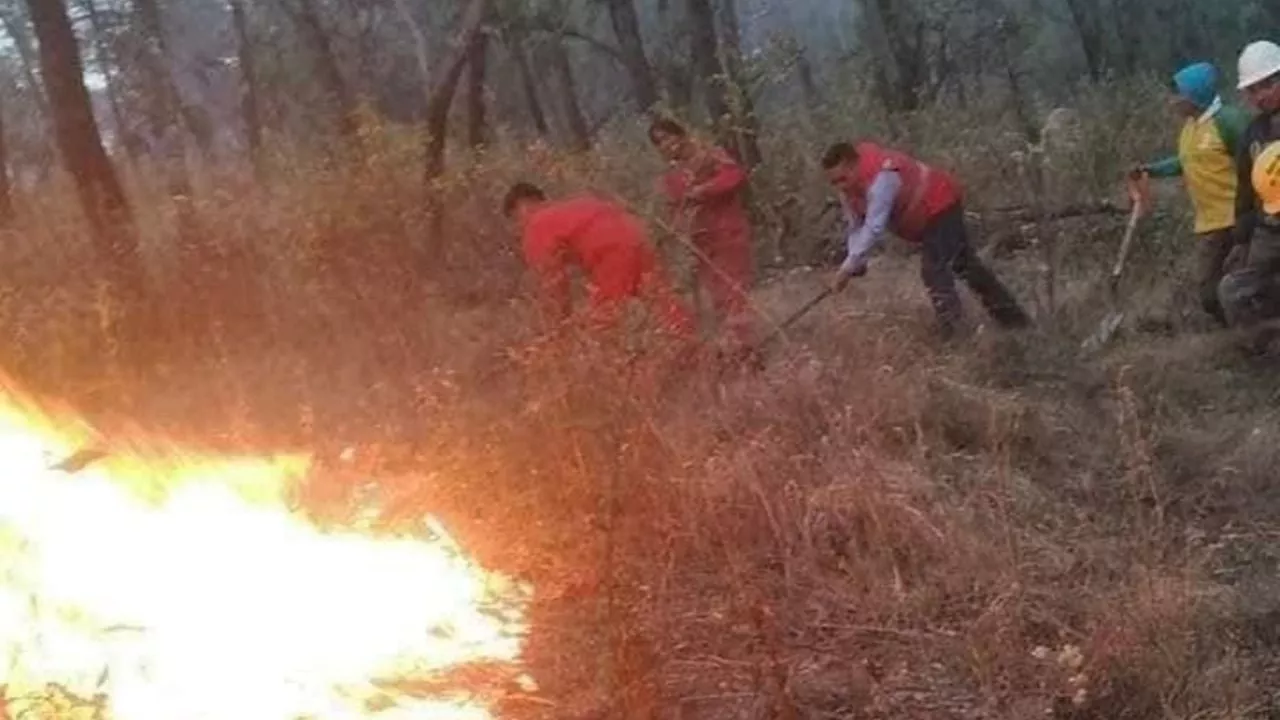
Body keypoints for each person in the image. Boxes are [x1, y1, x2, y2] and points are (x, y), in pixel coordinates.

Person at [819, 141, 1031, 338]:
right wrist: (855, 264)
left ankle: (955, 335)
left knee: (934, 269)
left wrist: (847, 268)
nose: (840, 187)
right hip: (927, 216)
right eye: (833, 182)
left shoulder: (882, 179)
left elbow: (874, 227)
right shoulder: (848, 190)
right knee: (966, 266)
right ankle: (1018, 325)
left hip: (941, 203)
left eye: (842, 179)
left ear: (853, 165)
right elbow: (855, 225)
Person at [1132, 62, 1250, 326]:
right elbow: (1187, 161)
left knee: (1240, 284)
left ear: (1195, 95)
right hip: (1211, 223)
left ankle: (1255, 337)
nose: (1172, 102)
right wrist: (1151, 170)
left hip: (1238, 217)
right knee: (1209, 292)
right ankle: (1238, 334)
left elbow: (1257, 161)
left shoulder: (1229, 122)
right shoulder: (1191, 128)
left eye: (1178, 95)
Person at [502, 182, 694, 338]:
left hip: (609, 251)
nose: (517, 227)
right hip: (637, 234)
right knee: (662, 299)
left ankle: (608, 373)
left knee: (605, 320)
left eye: (514, 219)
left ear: (521, 207)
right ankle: (691, 346)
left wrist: (557, 327)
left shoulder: (536, 225)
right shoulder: (574, 205)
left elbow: (552, 283)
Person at [648, 117, 756, 357]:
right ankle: (731, 349)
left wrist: (704, 190)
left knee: (734, 292)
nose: (665, 146)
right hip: (701, 241)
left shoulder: (710, 154)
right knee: (717, 297)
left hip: (728, 233)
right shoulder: (672, 175)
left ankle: (747, 348)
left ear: (681, 135)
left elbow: (735, 176)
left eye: (667, 138)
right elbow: (675, 207)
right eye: (659, 143)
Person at [1218, 40, 1280, 347]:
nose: (1260, 96)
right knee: (1236, 290)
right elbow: (1245, 190)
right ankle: (1264, 352)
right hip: (1268, 230)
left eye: (1266, 86)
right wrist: (1241, 240)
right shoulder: (1254, 134)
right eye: (1253, 90)